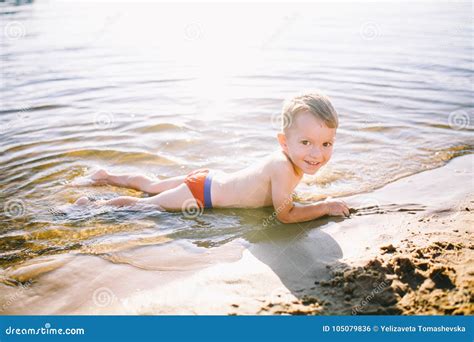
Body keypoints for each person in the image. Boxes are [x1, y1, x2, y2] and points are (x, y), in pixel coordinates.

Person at [74, 92, 350, 223]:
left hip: (209, 179)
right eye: (306, 142)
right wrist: (325, 206)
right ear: (284, 142)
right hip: (200, 194)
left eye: (326, 143)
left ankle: (106, 176)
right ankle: (90, 206)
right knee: (145, 206)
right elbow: (285, 215)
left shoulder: (289, 161)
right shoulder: (283, 167)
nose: (317, 153)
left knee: (150, 185)